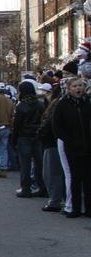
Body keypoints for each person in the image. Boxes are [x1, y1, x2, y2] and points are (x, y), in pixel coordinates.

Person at [53, 76, 91, 219]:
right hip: (72, 146)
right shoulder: (62, 105)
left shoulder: (86, 103)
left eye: (80, 86)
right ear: (69, 89)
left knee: (88, 178)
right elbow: (57, 126)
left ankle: (88, 208)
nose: (78, 89)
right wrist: (68, 140)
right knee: (75, 177)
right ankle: (74, 208)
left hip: (87, 145)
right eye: (75, 86)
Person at [11, 80, 46, 198]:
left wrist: (14, 139)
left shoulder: (21, 106)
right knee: (39, 163)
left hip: (24, 137)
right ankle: (42, 187)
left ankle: (26, 189)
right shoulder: (40, 104)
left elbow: (17, 125)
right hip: (37, 136)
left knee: (25, 164)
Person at [38, 85, 65, 212]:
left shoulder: (56, 104)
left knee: (52, 173)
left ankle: (55, 200)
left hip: (52, 142)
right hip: (57, 141)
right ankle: (63, 200)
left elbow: (48, 123)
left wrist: (41, 134)